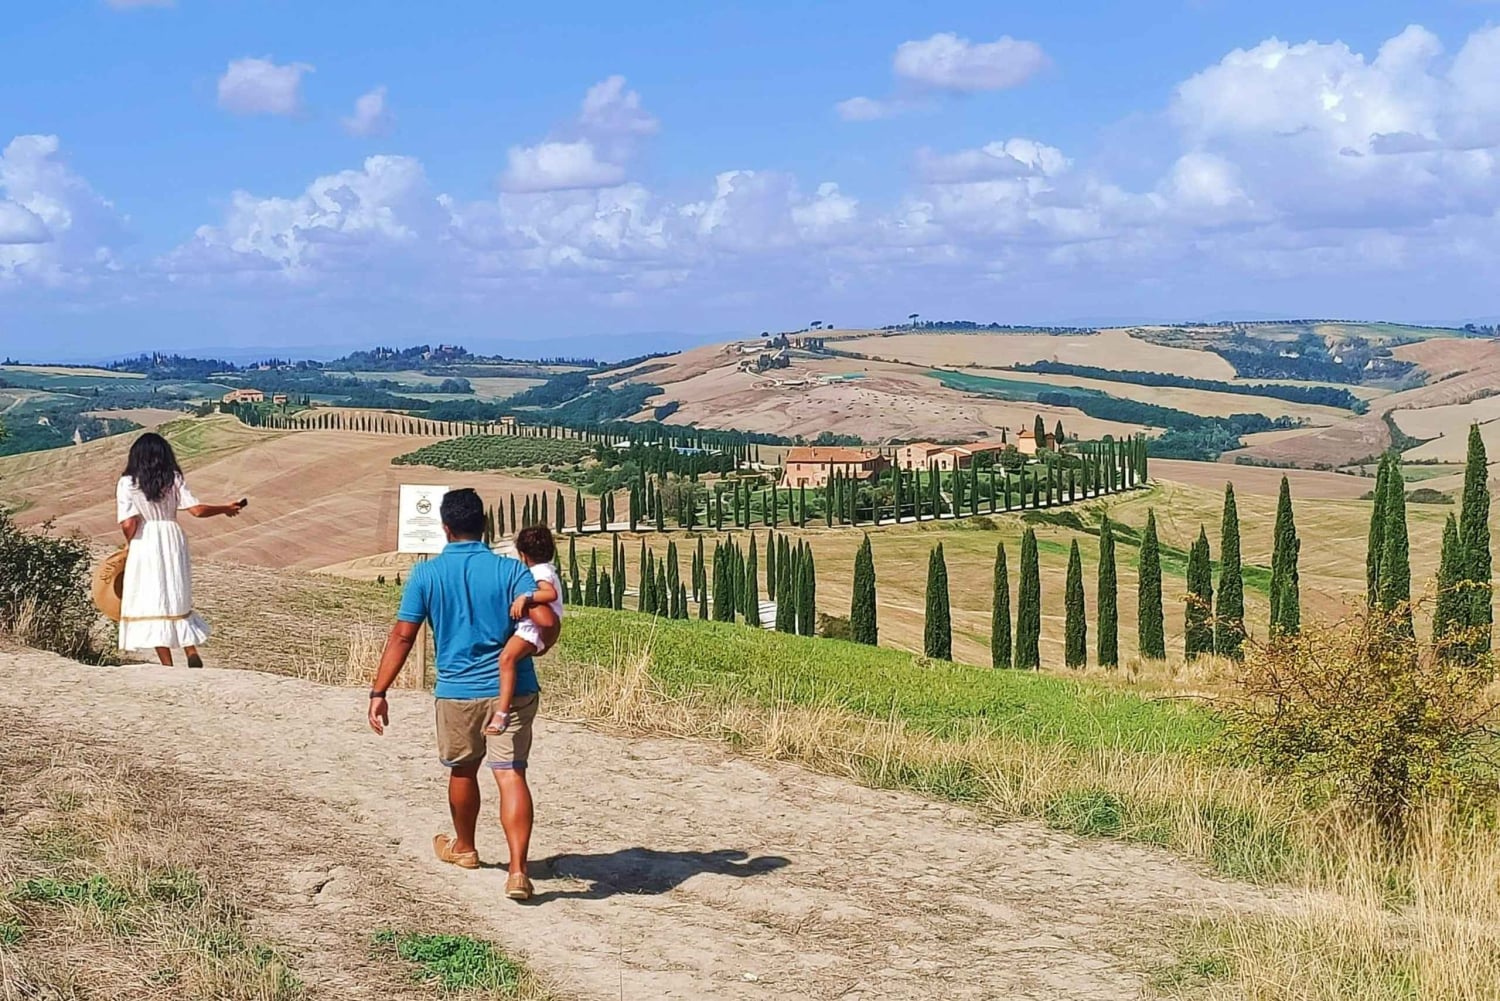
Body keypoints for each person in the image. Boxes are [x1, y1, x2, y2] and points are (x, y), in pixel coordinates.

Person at [366, 488, 557, 901]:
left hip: (457, 691)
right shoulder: (511, 571)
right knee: (511, 773)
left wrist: (379, 691)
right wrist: (540, 644)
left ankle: (465, 848)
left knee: (463, 771)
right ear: (484, 525)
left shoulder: (426, 575)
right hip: (514, 689)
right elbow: (545, 619)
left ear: (445, 528)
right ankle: (518, 872)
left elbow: (403, 636)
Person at [116, 432, 244, 667]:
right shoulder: (173, 478)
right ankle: (190, 650)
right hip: (173, 535)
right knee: (176, 591)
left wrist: (129, 543)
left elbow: (128, 523)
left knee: (153, 597)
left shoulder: (128, 482)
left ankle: (167, 664)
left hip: (146, 538)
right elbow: (197, 510)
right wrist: (225, 508)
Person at [486, 524, 562, 737]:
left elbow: (550, 594)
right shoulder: (546, 569)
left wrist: (525, 597)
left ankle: (502, 712)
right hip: (533, 627)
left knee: (506, 659)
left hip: (532, 629)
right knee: (509, 660)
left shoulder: (539, 572)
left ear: (523, 554)